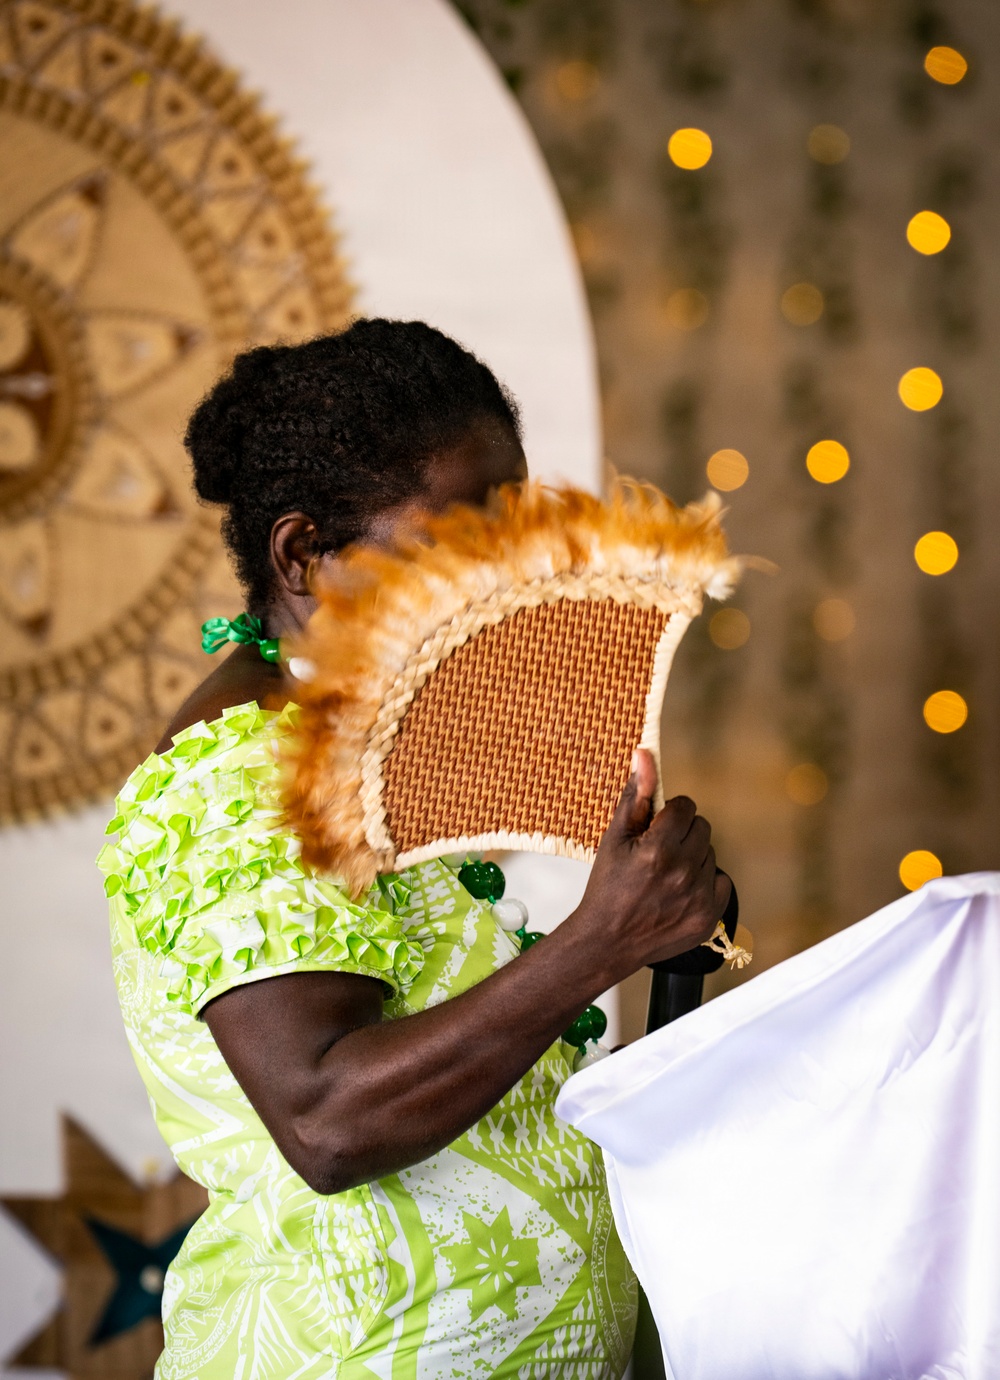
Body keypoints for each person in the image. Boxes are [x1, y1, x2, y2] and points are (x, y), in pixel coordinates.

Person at [98, 319, 730, 1379]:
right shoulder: (236, 778)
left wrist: (664, 936)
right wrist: (598, 940)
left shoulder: (357, 757)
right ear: (302, 554)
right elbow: (329, 1119)